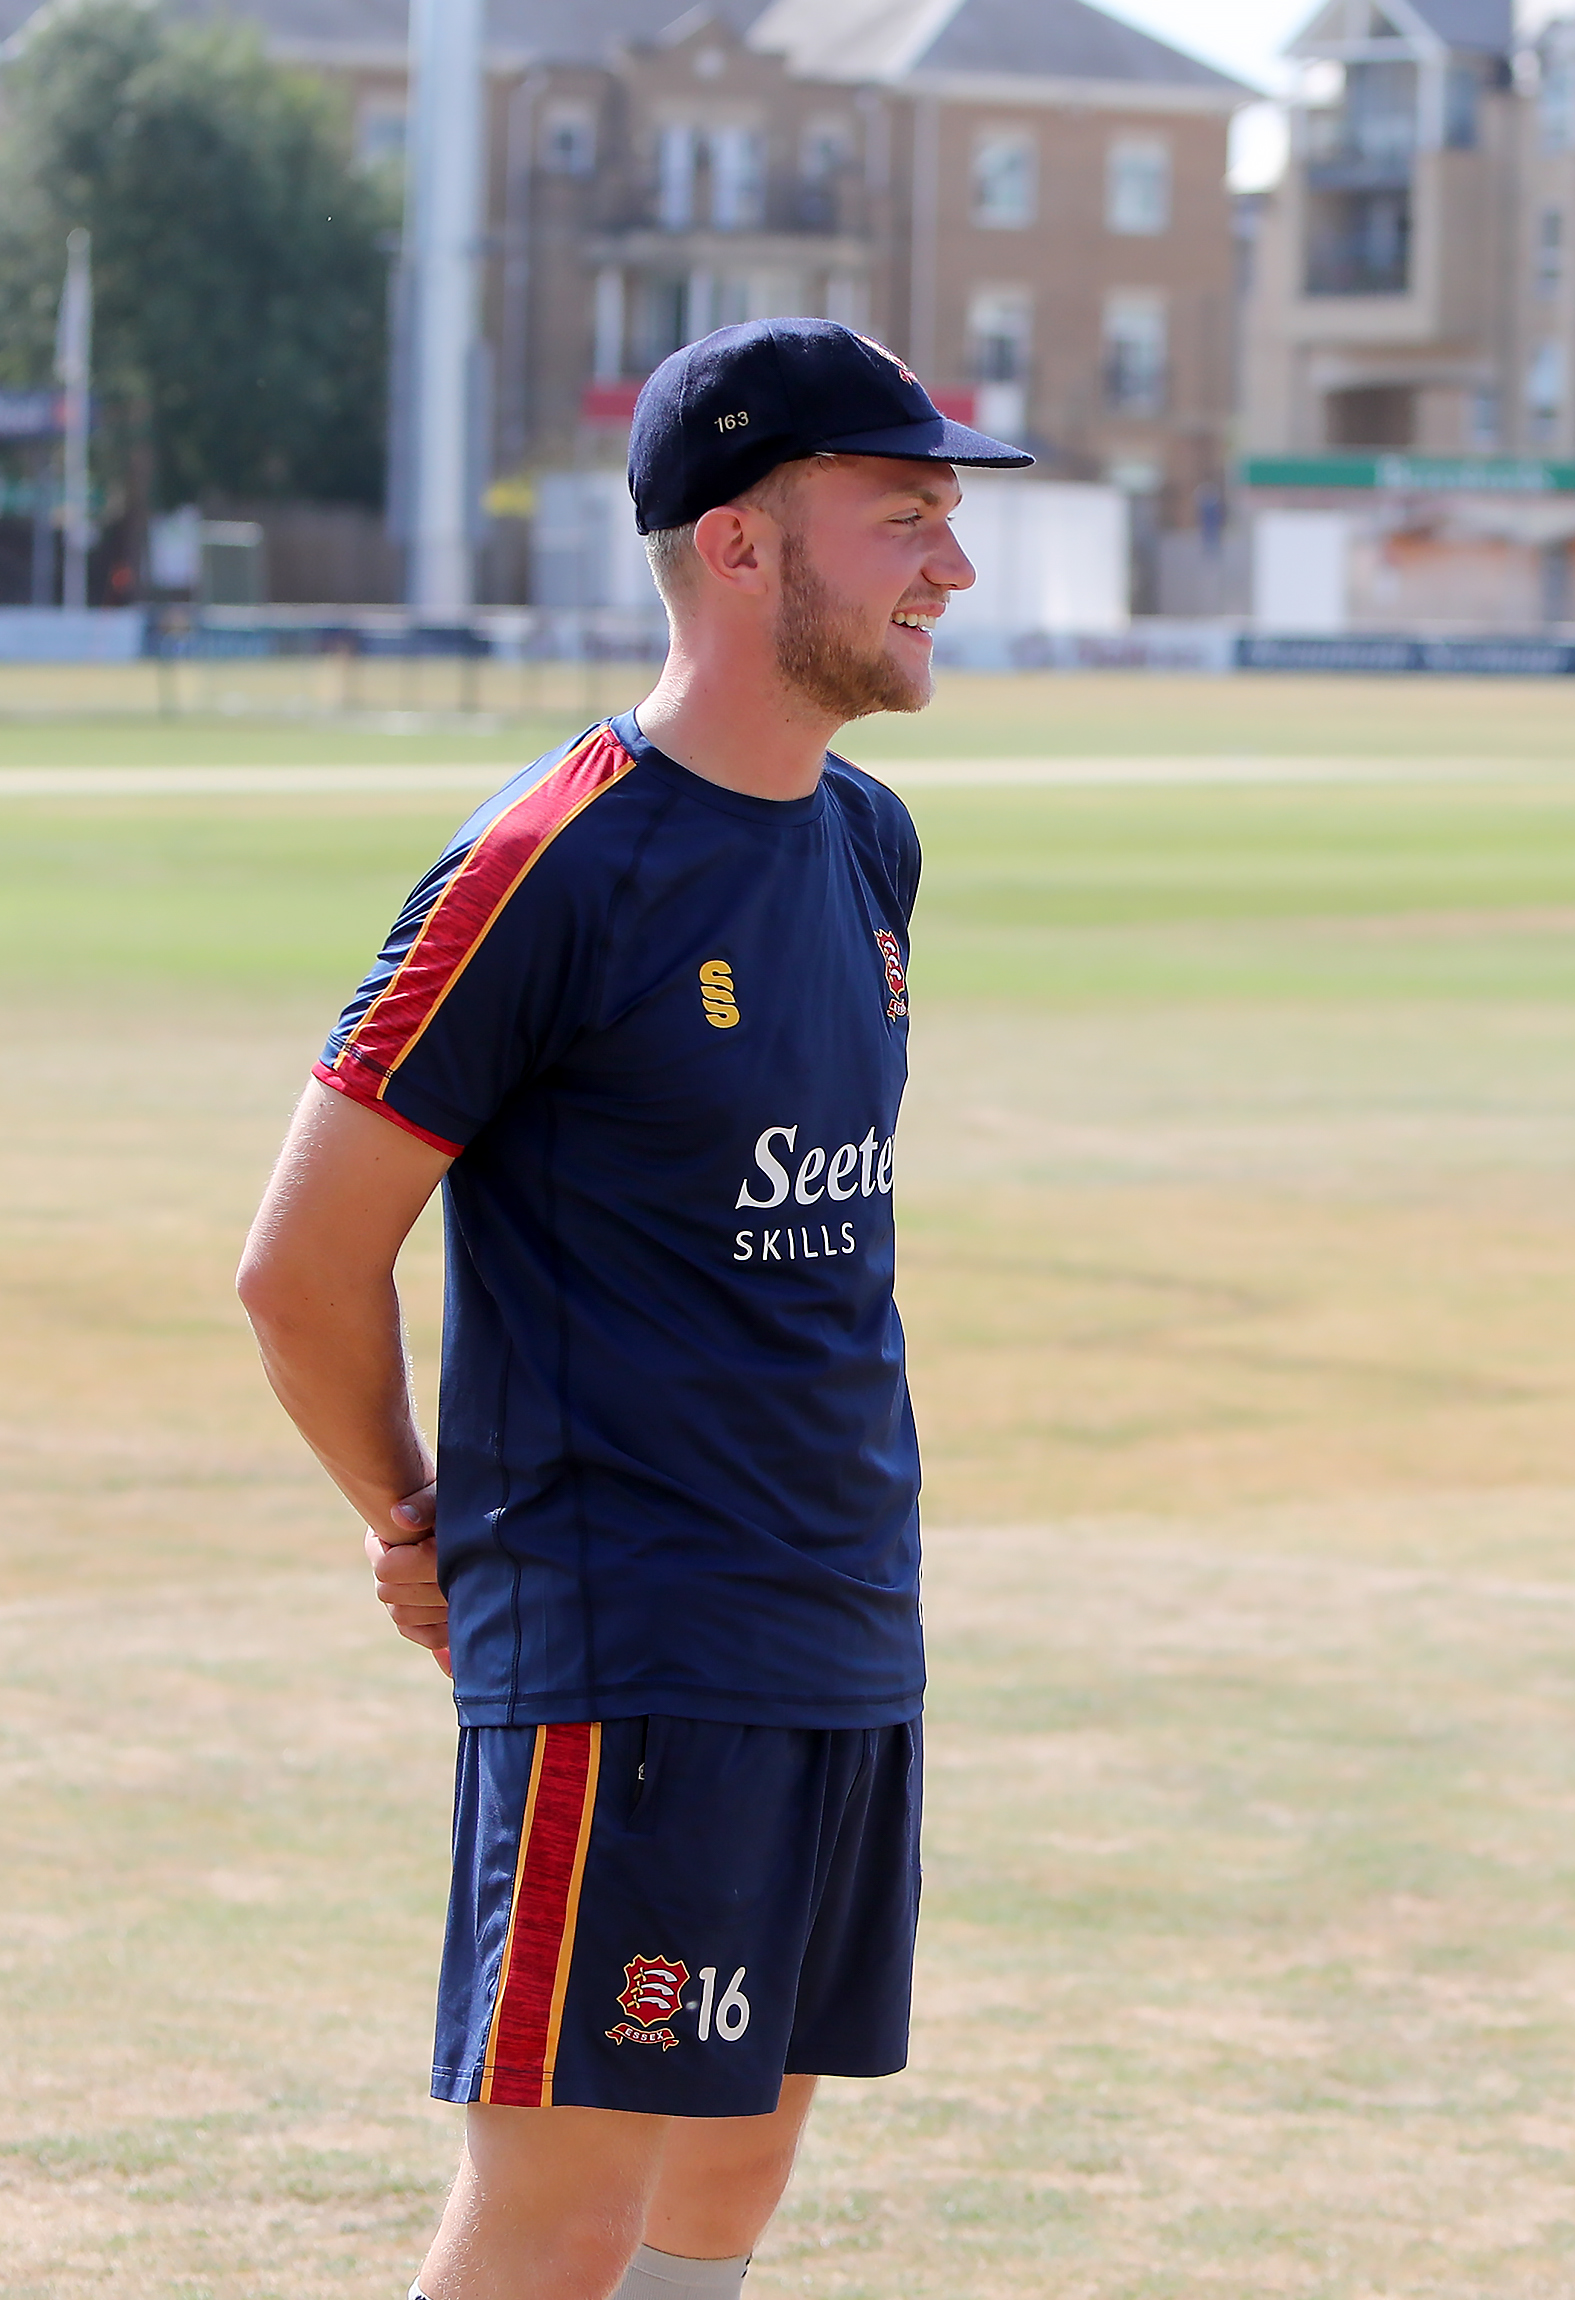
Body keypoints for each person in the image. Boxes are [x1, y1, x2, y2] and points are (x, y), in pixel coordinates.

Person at [234, 319, 1027, 2300]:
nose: (955, 565)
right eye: (904, 517)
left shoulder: (863, 840)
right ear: (743, 548)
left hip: (840, 1619)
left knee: (731, 2183)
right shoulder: (548, 862)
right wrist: (420, 1520)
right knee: (561, 2219)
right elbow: (300, 1261)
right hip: (634, 1640)